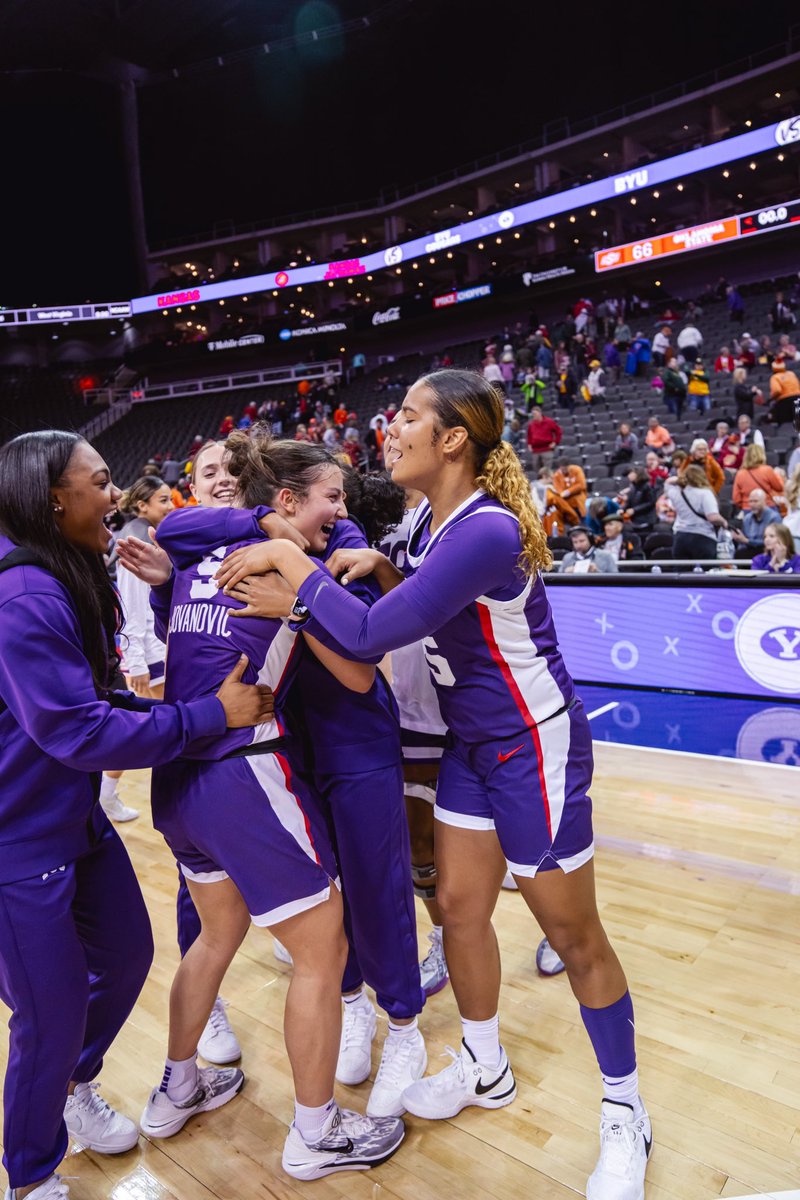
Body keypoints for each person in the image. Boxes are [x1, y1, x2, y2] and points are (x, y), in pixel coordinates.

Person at [213, 369, 653, 1199]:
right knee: (456, 909)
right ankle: (486, 1063)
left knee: (573, 936)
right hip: (469, 747)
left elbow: (372, 635)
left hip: (532, 743)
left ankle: (626, 1109)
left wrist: (289, 563)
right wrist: (384, 566)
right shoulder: (424, 521)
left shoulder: (485, 530)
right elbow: (411, 607)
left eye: (410, 416)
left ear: (452, 439)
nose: (392, 425)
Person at [0, 431, 270, 1200]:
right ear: (55, 498)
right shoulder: (24, 595)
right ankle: (31, 1175)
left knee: (124, 957)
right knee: (48, 1014)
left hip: (66, 815)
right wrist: (209, 717)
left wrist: (187, 710)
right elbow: (81, 732)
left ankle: (69, 1085)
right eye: (99, 481)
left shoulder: (60, 568)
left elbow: (96, 698)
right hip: (15, 839)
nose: (114, 493)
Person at [132, 439, 407, 1180]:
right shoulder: (291, 567)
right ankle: (316, 1133)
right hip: (244, 773)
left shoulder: (197, 553)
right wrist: (300, 590)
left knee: (214, 938)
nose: (338, 515)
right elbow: (359, 674)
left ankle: (178, 1087)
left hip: (178, 780)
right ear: (284, 502)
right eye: (331, 500)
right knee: (323, 951)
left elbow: (174, 525)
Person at [99, 477, 175, 825]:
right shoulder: (134, 540)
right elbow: (130, 609)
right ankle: (107, 794)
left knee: (158, 729)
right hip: (148, 655)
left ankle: (106, 794)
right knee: (157, 730)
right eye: (163, 500)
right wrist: (137, 662)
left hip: (157, 650)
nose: (170, 506)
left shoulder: (150, 535)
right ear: (142, 505)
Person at [665, 464, 727, 561]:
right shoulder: (705, 493)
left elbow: (668, 482)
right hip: (702, 537)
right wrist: (724, 522)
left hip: (680, 537)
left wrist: (680, 480)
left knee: (681, 570)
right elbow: (712, 517)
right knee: (706, 570)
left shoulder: (677, 493)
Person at [732, 444, 785, 511]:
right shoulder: (767, 470)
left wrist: (746, 505)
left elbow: (736, 498)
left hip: (748, 508)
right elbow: (779, 488)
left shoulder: (740, 474)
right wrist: (777, 475)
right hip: (767, 506)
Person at [730, 489, 781, 557]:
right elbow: (743, 542)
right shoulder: (747, 518)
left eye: (755, 501)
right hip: (750, 550)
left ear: (764, 502)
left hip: (767, 551)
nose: (752, 504)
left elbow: (774, 541)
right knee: (738, 554)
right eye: (750, 501)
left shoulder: (774, 517)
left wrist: (747, 541)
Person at [767, 360, 800, 425]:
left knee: (787, 424)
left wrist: (771, 398)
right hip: (798, 399)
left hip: (784, 401)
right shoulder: (791, 374)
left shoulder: (775, 377)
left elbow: (777, 390)